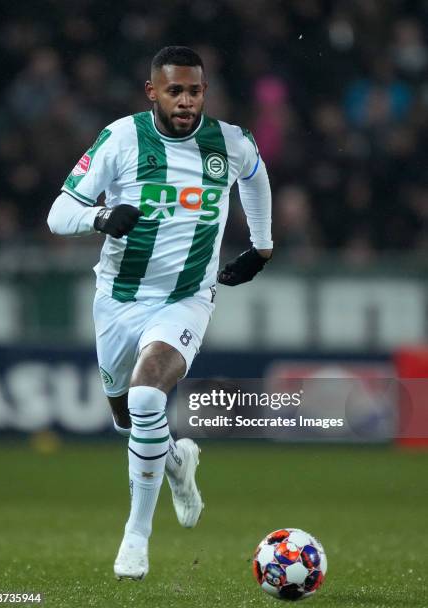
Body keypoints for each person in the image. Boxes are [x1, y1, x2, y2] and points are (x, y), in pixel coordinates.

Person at [47, 45, 273, 580]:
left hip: (185, 299)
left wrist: (261, 247)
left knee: (148, 391)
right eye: (175, 90)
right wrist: (100, 217)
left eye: (195, 90)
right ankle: (175, 460)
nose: (187, 101)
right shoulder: (122, 138)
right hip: (118, 300)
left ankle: (136, 537)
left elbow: (256, 176)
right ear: (153, 92)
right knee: (128, 418)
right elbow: (58, 213)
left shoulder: (230, 143)